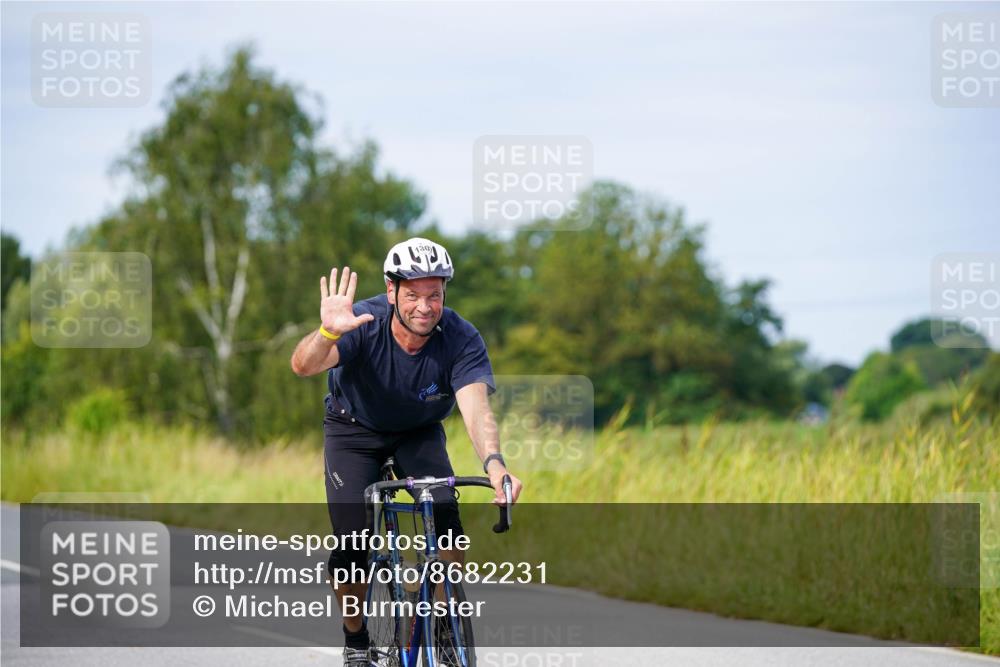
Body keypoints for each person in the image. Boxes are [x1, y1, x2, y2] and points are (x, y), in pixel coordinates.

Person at [290, 237, 522, 666]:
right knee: (353, 545)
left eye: (434, 295)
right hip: (353, 431)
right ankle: (356, 637)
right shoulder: (364, 322)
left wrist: (495, 465)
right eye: (412, 294)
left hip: (417, 432)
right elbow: (303, 365)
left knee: (447, 517)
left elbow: (476, 409)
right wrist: (327, 333)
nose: (424, 306)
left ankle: (438, 622)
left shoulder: (460, 337)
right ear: (391, 290)